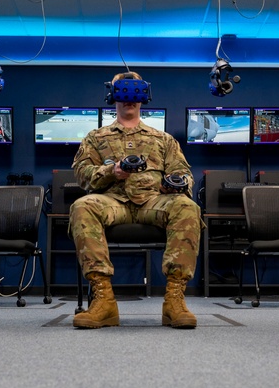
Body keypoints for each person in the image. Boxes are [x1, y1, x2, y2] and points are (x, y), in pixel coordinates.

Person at [70, 71, 202, 329]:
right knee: (82, 206)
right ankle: (104, 300)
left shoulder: (163, 139)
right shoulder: (96, 138)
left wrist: (174, 185)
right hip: (113, 202)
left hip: (154, 201)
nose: (129, 99)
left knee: (187, 206)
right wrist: (112, 171)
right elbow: (82, 175)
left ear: (143, 96)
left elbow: (184, 173)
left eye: (134, 92)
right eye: (123, 91)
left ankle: (174, 300)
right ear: (113, 95)